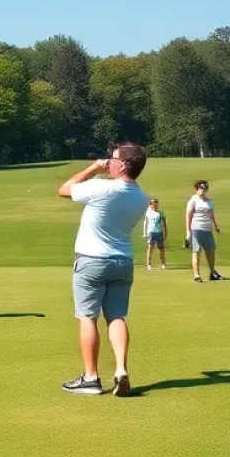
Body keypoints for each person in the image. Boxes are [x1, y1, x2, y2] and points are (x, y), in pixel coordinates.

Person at [58, 144, 149, 397]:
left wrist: (94, 167)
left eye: (113, 159)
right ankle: (121, 369)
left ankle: (91, 377)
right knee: (117, 317)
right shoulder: (142, 198)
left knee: (87, 317)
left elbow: (64, 190)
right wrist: (105, 167)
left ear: (122, 166)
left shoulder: (103, 187)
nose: (108, 162)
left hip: (91, 260)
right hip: (122, 262)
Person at [186, 180, 222, 282]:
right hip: (196, 228)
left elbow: (211, 215)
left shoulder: (209, 202)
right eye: (201, 187)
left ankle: (212, 272)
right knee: (196, 251)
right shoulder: (193, 201)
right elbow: (188, 216)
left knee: (211, 251)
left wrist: (215, 226)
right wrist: (188, 232)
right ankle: (196, 275)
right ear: (197, 188)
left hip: (207, 229)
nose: (203, 189)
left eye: (205, 188)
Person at [143, 197, 168, 271]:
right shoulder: (148, 213)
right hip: (151, 232)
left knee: (161, 249)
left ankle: (163, 264)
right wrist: (145, 232)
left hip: (159, 232)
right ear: (151, 205)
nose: (155, 206)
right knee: (150, 248)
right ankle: (148, 264)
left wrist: (165, 234)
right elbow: (145, 222)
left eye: (156, 205)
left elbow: (164, 225)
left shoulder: (160, 213)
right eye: (153, 205)